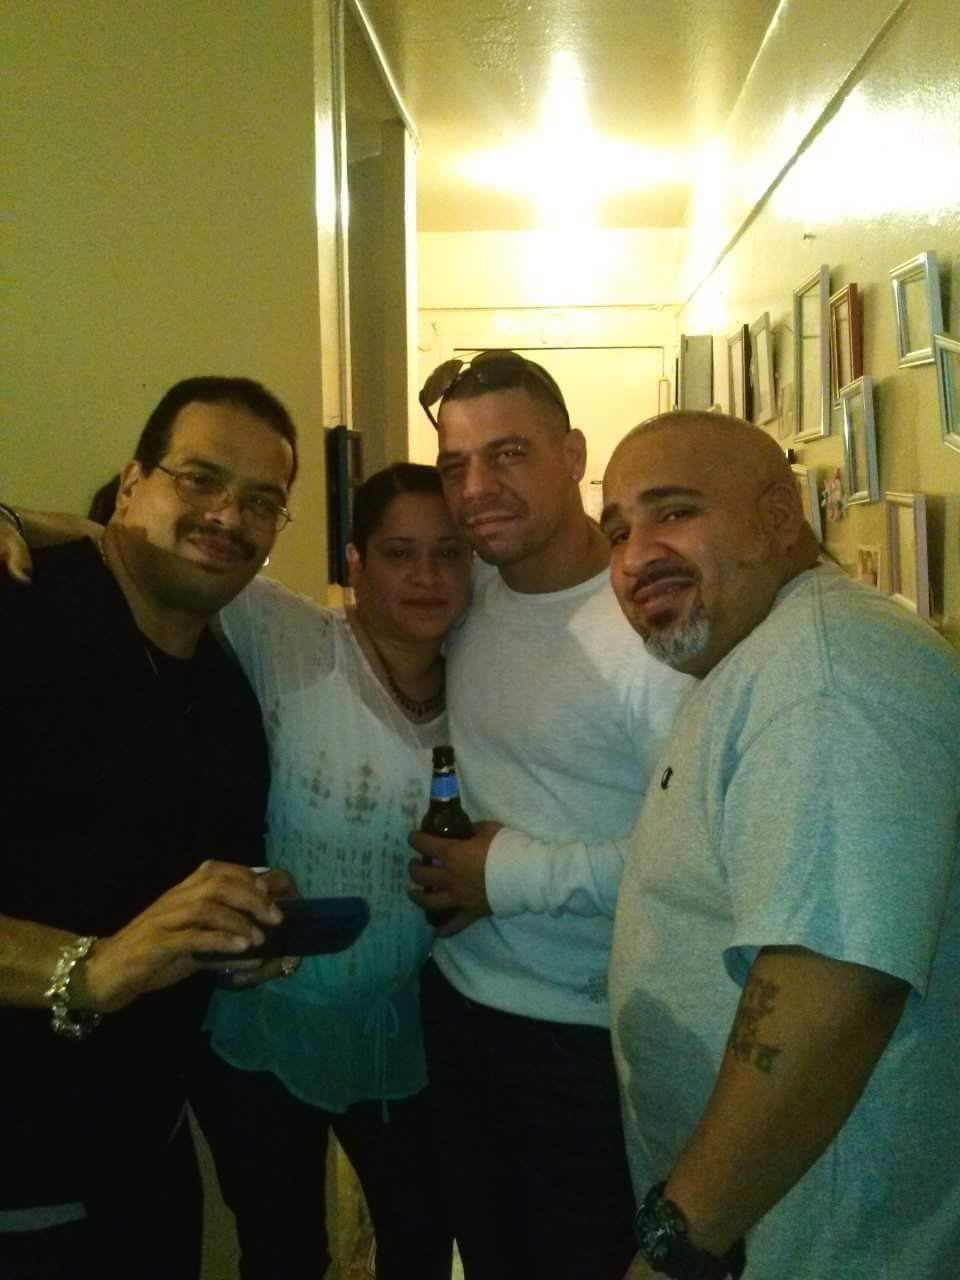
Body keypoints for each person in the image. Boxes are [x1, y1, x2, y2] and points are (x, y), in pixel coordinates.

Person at [600, 411, 960, 1279]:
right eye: (616, 532)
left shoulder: (828, 674)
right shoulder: (761, 657)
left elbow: (834, 984)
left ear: (777, 517)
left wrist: (680, 1244)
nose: (637, 555)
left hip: (831, 1240)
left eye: (674, 512)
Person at [0, 375, 299, 1280]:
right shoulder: (21, 610)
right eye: (200, 478)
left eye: (261, 501)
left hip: (144, 1173)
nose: (228, 517)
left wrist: (238, 929)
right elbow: (110, 958)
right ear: (131, 485)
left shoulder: (229, 701)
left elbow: (164, 898)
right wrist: (88, 971)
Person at [407, 351, 691, 1279]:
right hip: (457, 1006)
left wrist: (507, 873)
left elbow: (695, 856)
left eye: (509, 454)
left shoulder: (655, 626)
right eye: (455, 465)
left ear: (574, 456)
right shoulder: (472, 595)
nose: (476, 490)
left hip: (590, 1038)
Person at [189, 462, 470, 1279]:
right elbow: (154, 552)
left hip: (405, 1025)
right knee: (283, 1252)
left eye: (448, 553)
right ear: (355, 562)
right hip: (266, 1019)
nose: (426, 576)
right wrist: (19, 522)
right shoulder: (293, 637)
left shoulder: (490, 680)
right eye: (399, 553)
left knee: (421, 1238)